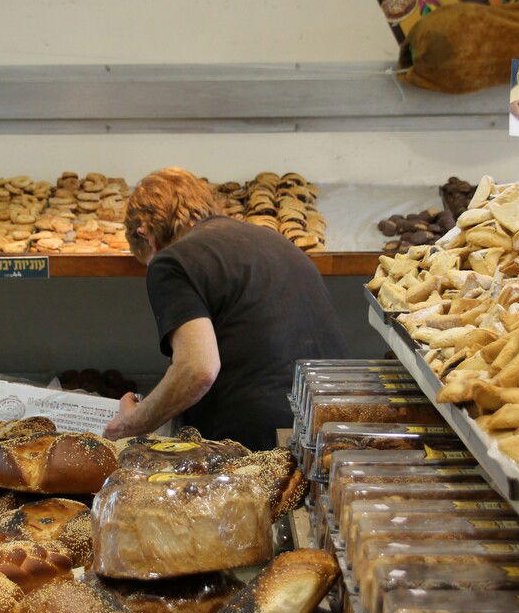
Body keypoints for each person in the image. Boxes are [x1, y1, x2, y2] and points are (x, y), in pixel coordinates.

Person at [103, 168, 349, 450]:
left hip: (258, 439)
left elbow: (197, 369)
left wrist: (132, 423)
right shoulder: (274, 241)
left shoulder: (172, 260)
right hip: (328, 427)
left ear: (145, 235)